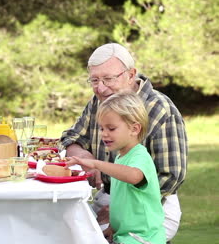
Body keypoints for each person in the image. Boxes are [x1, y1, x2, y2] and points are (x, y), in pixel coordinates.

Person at [60, 43, 187, 241]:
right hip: (112, 195)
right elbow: (73, 137)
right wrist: (84, 156)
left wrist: (120, 210)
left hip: (151, 206)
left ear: (131, 74)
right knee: (69, 229)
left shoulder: (159, 108)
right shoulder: (101, 101)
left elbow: (171, 175)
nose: (100, 88)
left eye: (108, 79)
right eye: (94, 80)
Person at [66, 92, 165, 244]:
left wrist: (96, 163)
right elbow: (123, 201)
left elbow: (133, 176)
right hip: (124, 236)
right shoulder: (121, 157)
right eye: (102, 128)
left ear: (134, 129)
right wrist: (113, 227)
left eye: (111, 129)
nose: (104, 134)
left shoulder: (140, 156)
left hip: (142, 239)